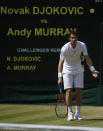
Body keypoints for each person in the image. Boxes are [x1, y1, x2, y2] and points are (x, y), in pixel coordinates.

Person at [58, 31, 99, 121]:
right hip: (67, 70)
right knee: (68, 91)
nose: (74, 39)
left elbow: (87, 58)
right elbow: (61, 62)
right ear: (69, 39)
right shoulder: (65, 48)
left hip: (78, 70)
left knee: (79, 90)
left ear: (77, 38)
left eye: (75, 38)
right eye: (72, 38)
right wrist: (60, 76)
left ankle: (78, 113)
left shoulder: (82, 45)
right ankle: (70, 113)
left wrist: (93, 70)